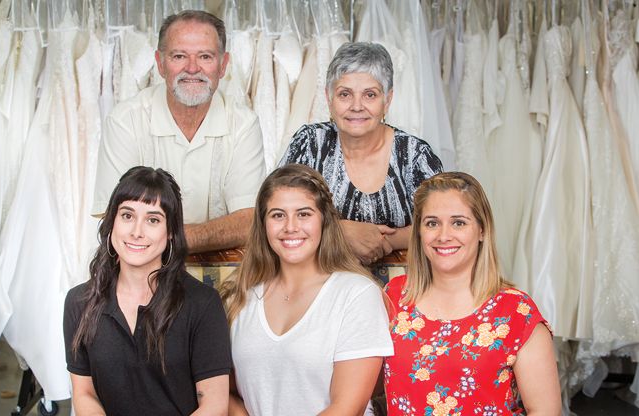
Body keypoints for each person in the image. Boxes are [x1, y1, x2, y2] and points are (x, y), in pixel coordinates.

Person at [220, 164, 394, 415]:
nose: (290, 227)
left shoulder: (356, 294)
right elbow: (220, 390)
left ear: (324, 221)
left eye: (303, 214)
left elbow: (347, 408)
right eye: (278, 215)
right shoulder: (239, 297)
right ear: (263, 224)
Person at [383, 172, 560, 415]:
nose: (444, 236)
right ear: (420, 232)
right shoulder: (394, 296)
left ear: (482, 230)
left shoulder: (516, 312)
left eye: (459, 222)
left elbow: (545, 411)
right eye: (432, 223)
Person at [93, 10, 265, 253]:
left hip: (223, 275)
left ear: (223, 64)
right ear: (160, 63)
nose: (192, 68)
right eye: (179, 56)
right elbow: (113, 221)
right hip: (140, 275)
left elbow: (250, 222)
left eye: (205, 56)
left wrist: (161, 239)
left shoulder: (244, 124)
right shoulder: (125, 121)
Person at [64, 166, 231, 415]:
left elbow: (214, 405)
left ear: (171, 232)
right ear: (112, 223)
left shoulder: (203, 304)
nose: (136, 231)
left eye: (153, 220)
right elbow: (84, 393)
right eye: (127, 216)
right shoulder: (79, 301)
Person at [279, 42, 443, 265]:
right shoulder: (310, 144)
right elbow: (278, 213)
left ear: (387, 100)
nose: (357, 106)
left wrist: (387, 242)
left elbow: (442, 224)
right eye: (345, 94)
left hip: (403, 288)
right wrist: (340, 230)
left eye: (370, 95)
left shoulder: (414, 155)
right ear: (329, 98)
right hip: (320, 283)